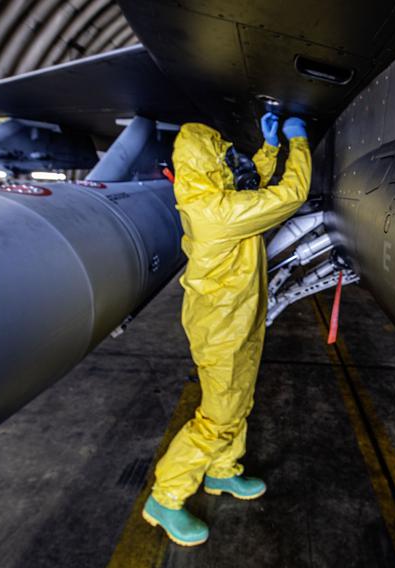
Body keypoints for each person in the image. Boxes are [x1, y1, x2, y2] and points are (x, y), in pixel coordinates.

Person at [141, 113, 311, 546]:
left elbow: (250, 185)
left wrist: (269, 149)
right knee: (216, 418)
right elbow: (289, 195)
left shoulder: (212, 196)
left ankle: (222, 471)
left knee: (239, 399)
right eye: (223, 157)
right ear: (208, 164)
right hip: (222, 326)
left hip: (237, 314)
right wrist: (299, 142)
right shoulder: (216, 212)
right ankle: (166, 497)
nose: (231, 162)